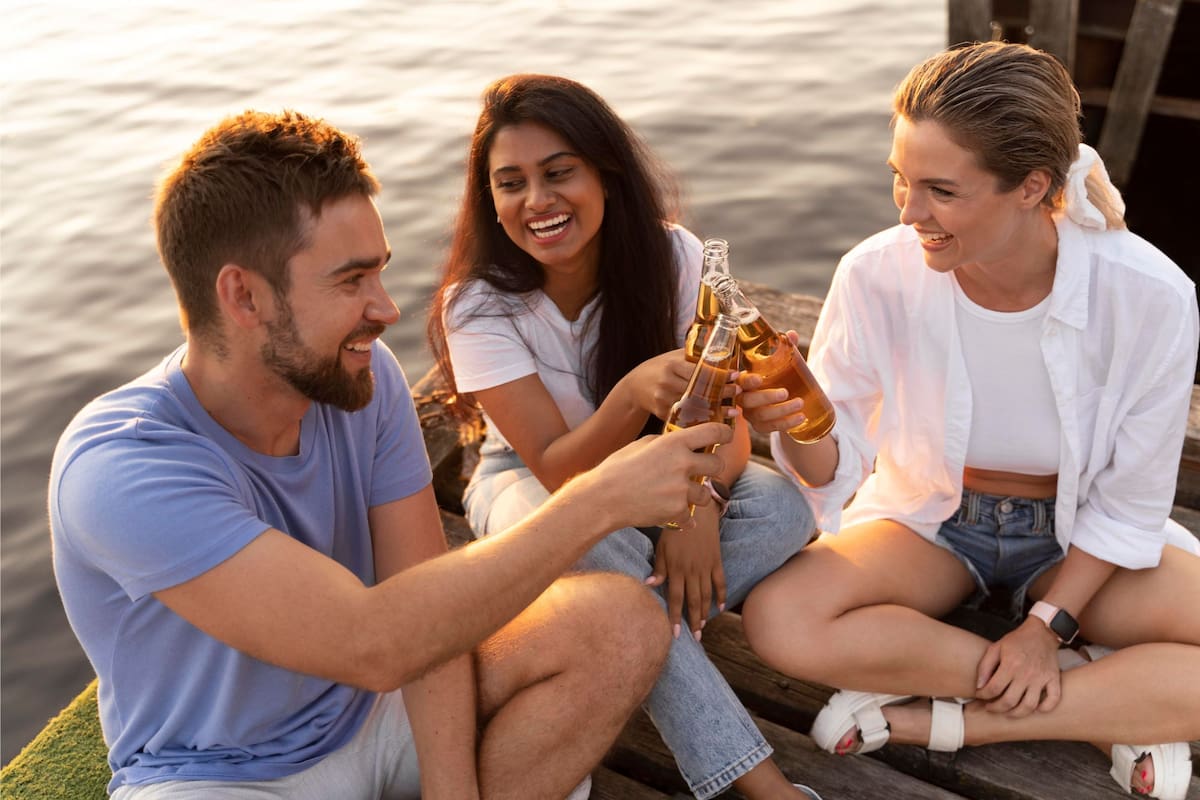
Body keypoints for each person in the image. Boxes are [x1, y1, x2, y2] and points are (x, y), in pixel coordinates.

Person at [48, 108, 739, 800]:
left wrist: (451, 791)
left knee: (618, 623)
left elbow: (427, 612)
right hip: (219, 774)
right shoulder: (121, 467)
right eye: (352, 281)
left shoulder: (364, 378)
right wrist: (599, 499)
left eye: (379, 273)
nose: (386, 310)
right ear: (245, 296)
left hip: (376, 715)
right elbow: (371, 644)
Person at [737, 41, 1200, 800]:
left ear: (1032, 186)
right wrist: (799, 422)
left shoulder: (1150, 293)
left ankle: (955, 722)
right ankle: (1103, 694)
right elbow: (837, 469)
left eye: (941, 190)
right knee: (782, 620)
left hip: (1080, 537)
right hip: (934, 521)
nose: (909, 212)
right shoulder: (875, 273)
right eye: (900, 179)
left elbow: (1131, 501)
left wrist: (1043, 626)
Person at [427, 74, 821, 800]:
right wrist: (631, 394)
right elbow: (557, 470)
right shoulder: (476, 305)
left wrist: (695, 511)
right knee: (590, 543)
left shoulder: (673, 258)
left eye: (559, 173)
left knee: (783, 510)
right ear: (490, 199)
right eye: (511, 183)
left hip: (670, 468)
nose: (536, 200)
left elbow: (727, 429)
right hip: (530, 481)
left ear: (605, 173)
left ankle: (631, 637)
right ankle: (764, 783)